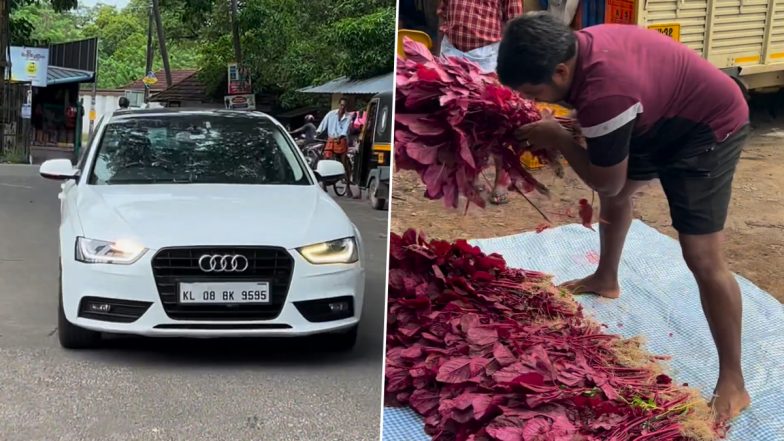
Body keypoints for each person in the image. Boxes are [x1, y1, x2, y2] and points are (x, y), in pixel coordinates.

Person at [496, 13, 750, 422]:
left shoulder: (605, 94)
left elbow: (607, 182)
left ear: (561, 70)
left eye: (536, 92)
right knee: (617, 191)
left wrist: (560, 138)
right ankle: (607, 278)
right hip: (656, 115)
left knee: (701, 255)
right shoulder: (576, 49)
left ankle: (735, 383)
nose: (538, 102)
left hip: (707, 128)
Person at [437, 0, 524, 204]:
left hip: (489, 56)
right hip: (453, 52)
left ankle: (502, 177)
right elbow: (443, 11)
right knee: (464, 120)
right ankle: (472, 173)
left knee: (495, 120)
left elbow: (515, 23)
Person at [317, 98, 355, 198]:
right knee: (325, 159)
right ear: (339, 105)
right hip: (331, 139)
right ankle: (324, 184)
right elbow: (323, 124)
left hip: (341, 140)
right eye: (341, 105)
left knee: (343, 163)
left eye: (344, 106)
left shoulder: (348, 116)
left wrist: (340, 136)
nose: (343, 107)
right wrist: (318, 132)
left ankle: (347, 187)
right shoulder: (331, 114)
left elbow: (346, 129)